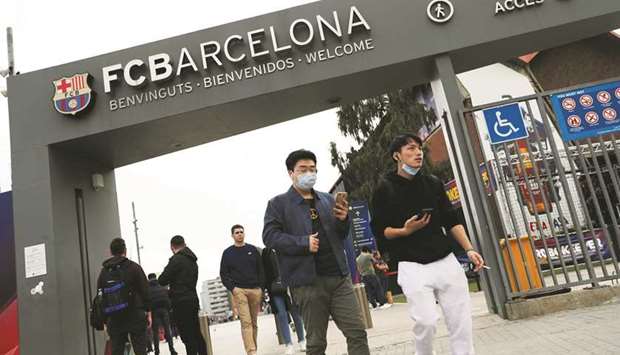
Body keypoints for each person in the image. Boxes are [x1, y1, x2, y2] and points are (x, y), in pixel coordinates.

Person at [370, 133, 485, 355]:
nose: (418, 153)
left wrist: (469, 249)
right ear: (397, 156)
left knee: (461, 321)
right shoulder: (384, 189)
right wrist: (405, 230)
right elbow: (380, 231)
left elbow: (451, 220)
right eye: (410, 149)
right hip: (411, 265)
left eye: (419, 148)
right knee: (426, 321)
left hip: (445, 260)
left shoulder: (433, 183)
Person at [263, 149, 370, 355]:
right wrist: (303, 243)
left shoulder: (327, 199)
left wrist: (343, 219)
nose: (308, 173)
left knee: (357, 332)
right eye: (303, 169)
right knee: (316, 343)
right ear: (291, 173)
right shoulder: (278, 204)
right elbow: (270, 237)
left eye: (312, 169)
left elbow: (341, 234)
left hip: (339, 277)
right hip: (306, 283)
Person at [97, 238, 151, 355]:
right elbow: (145, 292)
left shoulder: (104, 272)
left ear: (110, 252)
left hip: (114, 318)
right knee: (140, 350)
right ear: (125, 251)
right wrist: (148, 312)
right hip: (135, 315)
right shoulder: (134, 267)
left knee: (117, 351)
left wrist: (104, 319)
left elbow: (100, 297)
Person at [159, 235, 209, 355]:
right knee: (197, 333)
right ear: (184, 244)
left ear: (172, 247)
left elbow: (162, 279)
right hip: (192, 299)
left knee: (187, 337)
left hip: (180, 302)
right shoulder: (192, 260)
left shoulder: (176, 260)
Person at [219, 225, 265, 355]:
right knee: (246, 322)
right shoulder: (227, 253)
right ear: (232, 235)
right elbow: (223, 273)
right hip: (240, 291)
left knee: (254, 323)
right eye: (236, 232)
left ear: (244, 234)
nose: (239, 234)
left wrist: (261, 288)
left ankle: (253, 348)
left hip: (255, 290)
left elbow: (261, 269)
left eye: (241, 232)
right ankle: (251, 351)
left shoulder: (252, 250)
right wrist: (233, 289)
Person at [262, 247, 306, 354]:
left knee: (296, 314)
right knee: (281, 315)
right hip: (275, 289)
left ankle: (302, 340)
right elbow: (264, 271)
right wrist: (266, 289)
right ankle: (288, 344)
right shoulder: (266, 252)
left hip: (290, 286)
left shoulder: (286, 246)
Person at [148, 273, 178, 355]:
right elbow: (167, 300)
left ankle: (157, 351)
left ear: (148, 279)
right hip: (164, 311)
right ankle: (172, 350)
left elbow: (147, 302)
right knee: (168, 330)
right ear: (155, 278)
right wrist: (168, 309)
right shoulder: (161, 287)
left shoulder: (148, 289)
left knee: (155, 332)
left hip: (154, 312)